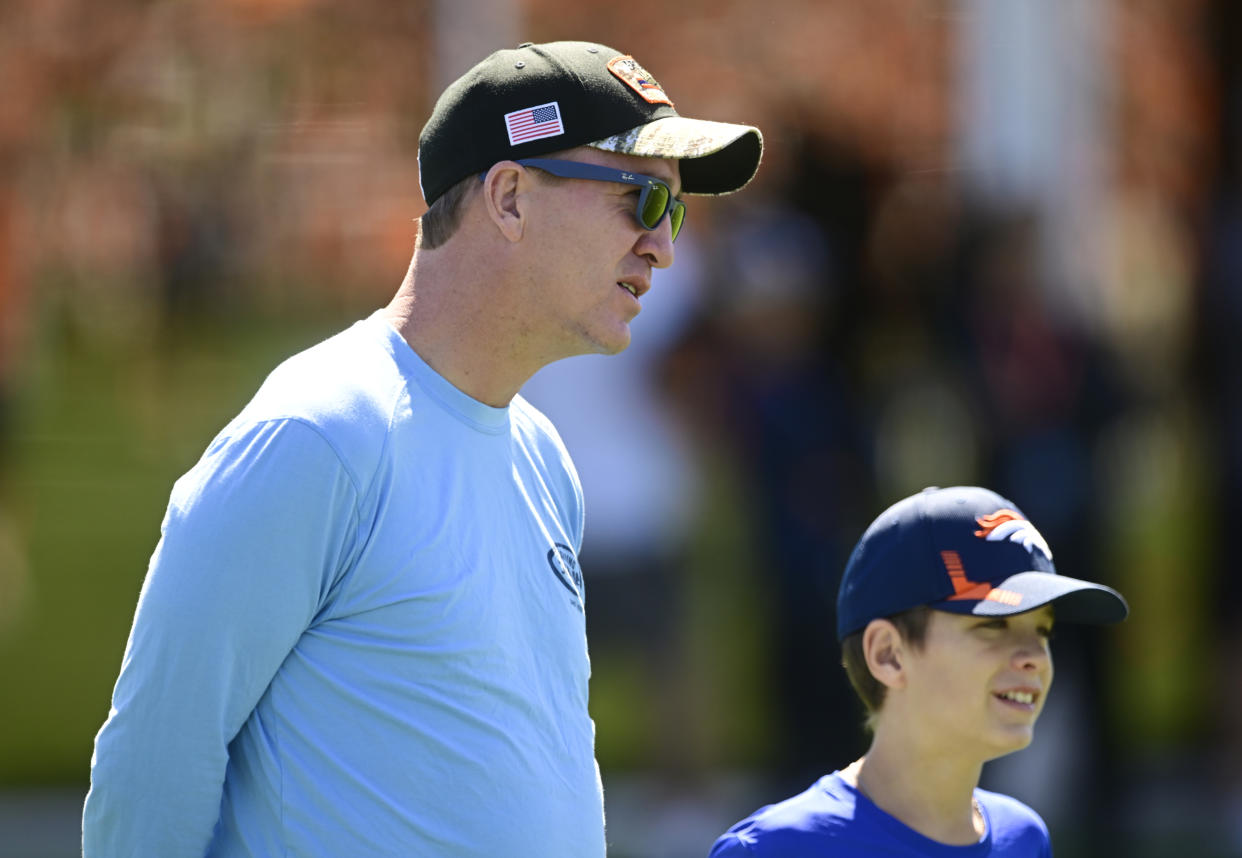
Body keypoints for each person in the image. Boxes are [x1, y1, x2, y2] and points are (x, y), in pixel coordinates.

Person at [82, 40, 762, 857]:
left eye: (676, 212)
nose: (665, 246)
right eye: (643, 202)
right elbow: (149, 776)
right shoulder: (318, 437)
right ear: (510, 198)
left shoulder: (542, 457)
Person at [708, 485, 1128, 857]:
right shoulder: (777, 849)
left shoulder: (1024, 838)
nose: (1034, 656)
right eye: (993, 625)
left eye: (1043, 630)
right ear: (889, 654)